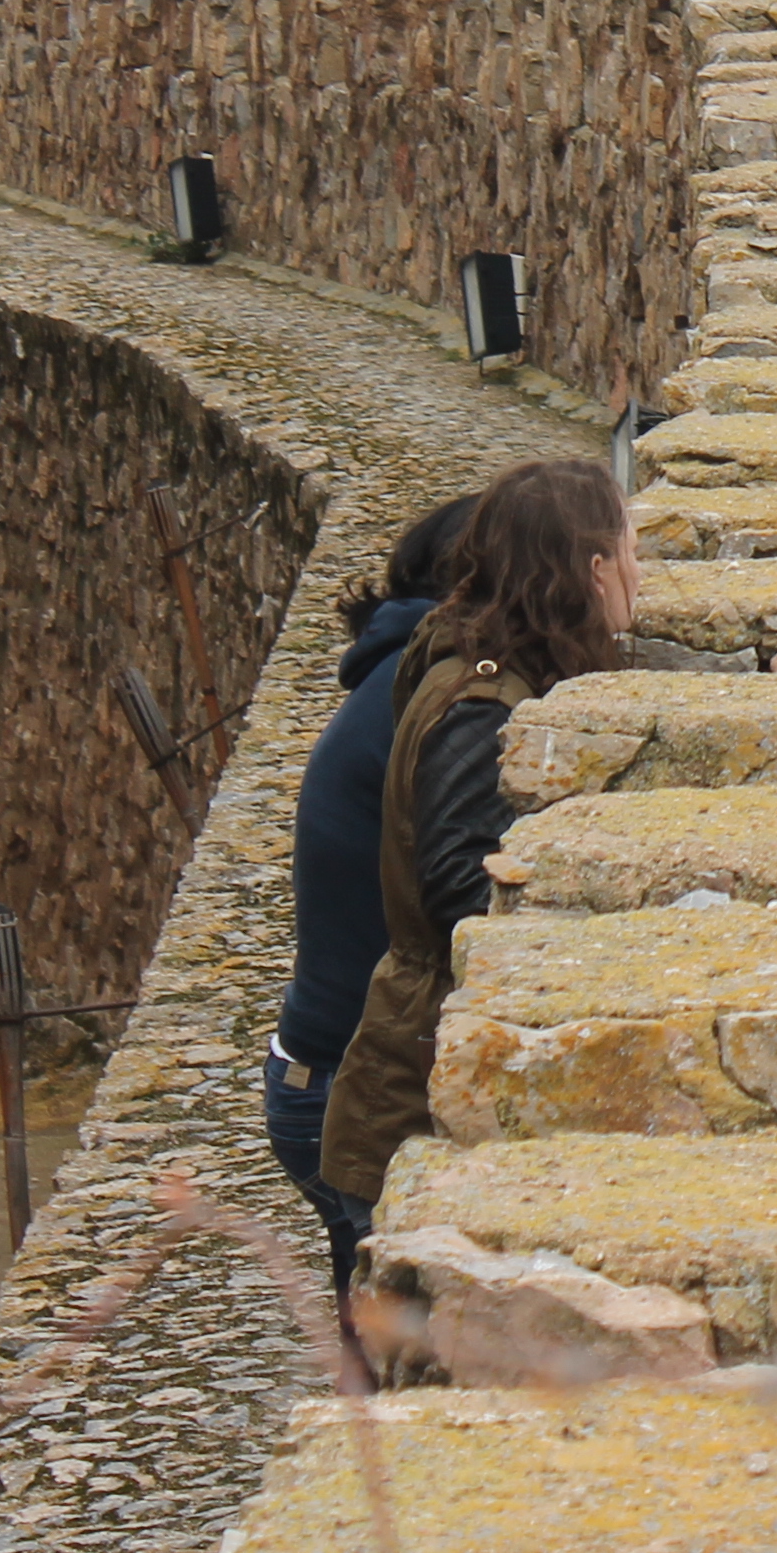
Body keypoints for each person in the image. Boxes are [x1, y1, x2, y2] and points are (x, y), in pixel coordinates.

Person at [314, 458, 638, 1230]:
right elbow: (458, 886)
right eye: (631, 549)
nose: (640, 571)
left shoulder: (497, 675)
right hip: (412, 1092)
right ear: (595, 570)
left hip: (415, 1070)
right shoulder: (482, 705)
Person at [264, 495, 474, 1301]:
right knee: (399, 1331)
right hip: (343, 1081)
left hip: (320, 1069)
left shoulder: (399, 670)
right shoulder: (430, 696)